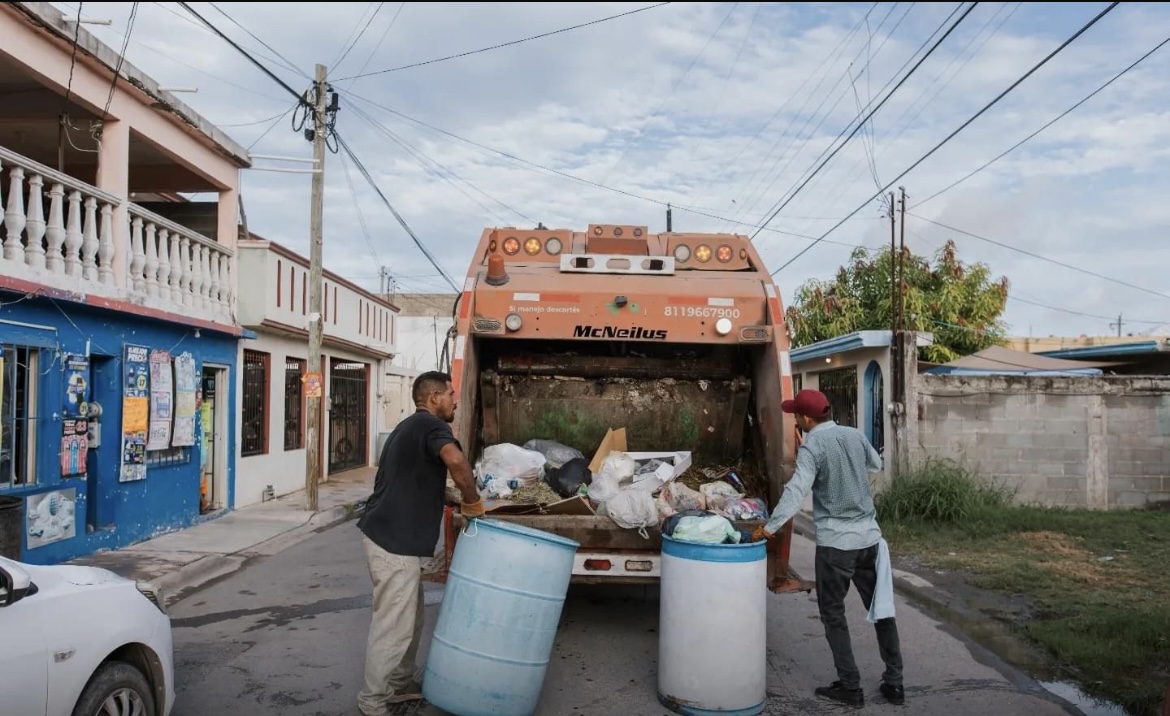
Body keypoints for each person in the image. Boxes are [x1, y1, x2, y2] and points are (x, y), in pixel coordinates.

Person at [752, 388, 904, 709]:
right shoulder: (853, 434)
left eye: (796, 414)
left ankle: (850, 687)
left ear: (807, 419)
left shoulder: (812, 448)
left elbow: (796, 492)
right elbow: (876, 464)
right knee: (881, 610)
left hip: (836, 545)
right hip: (870, 541)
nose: (794, 418)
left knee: (833, 615)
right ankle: (895, 683)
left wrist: (769, 528)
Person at [355, 371, 485, 715]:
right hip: (393, 544)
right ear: (433, 398)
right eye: (451, 394)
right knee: (393, 627)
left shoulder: (407, 427)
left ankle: (398, 685)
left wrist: (452, 497)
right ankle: (373, 702)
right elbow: (456, 462)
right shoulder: (432, 427)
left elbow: (413, 480)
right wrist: (473, 501)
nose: (455, 400)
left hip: (389, 539)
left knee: (410, 620)